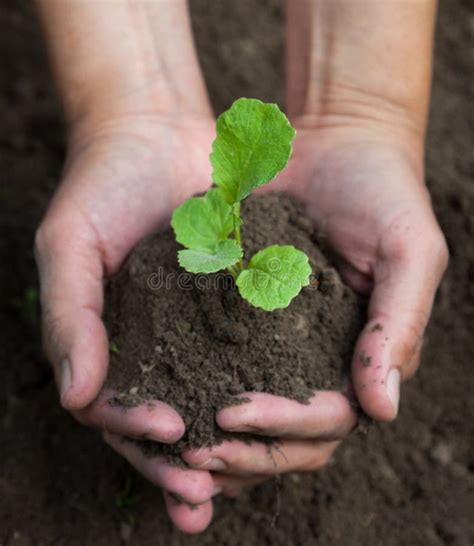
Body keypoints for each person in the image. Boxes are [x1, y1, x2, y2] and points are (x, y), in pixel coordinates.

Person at [34, 0, 448, 535]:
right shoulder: (190, 252)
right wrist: (122, 114)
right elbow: (199, 249)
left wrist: (364, 116)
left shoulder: (267, 258)